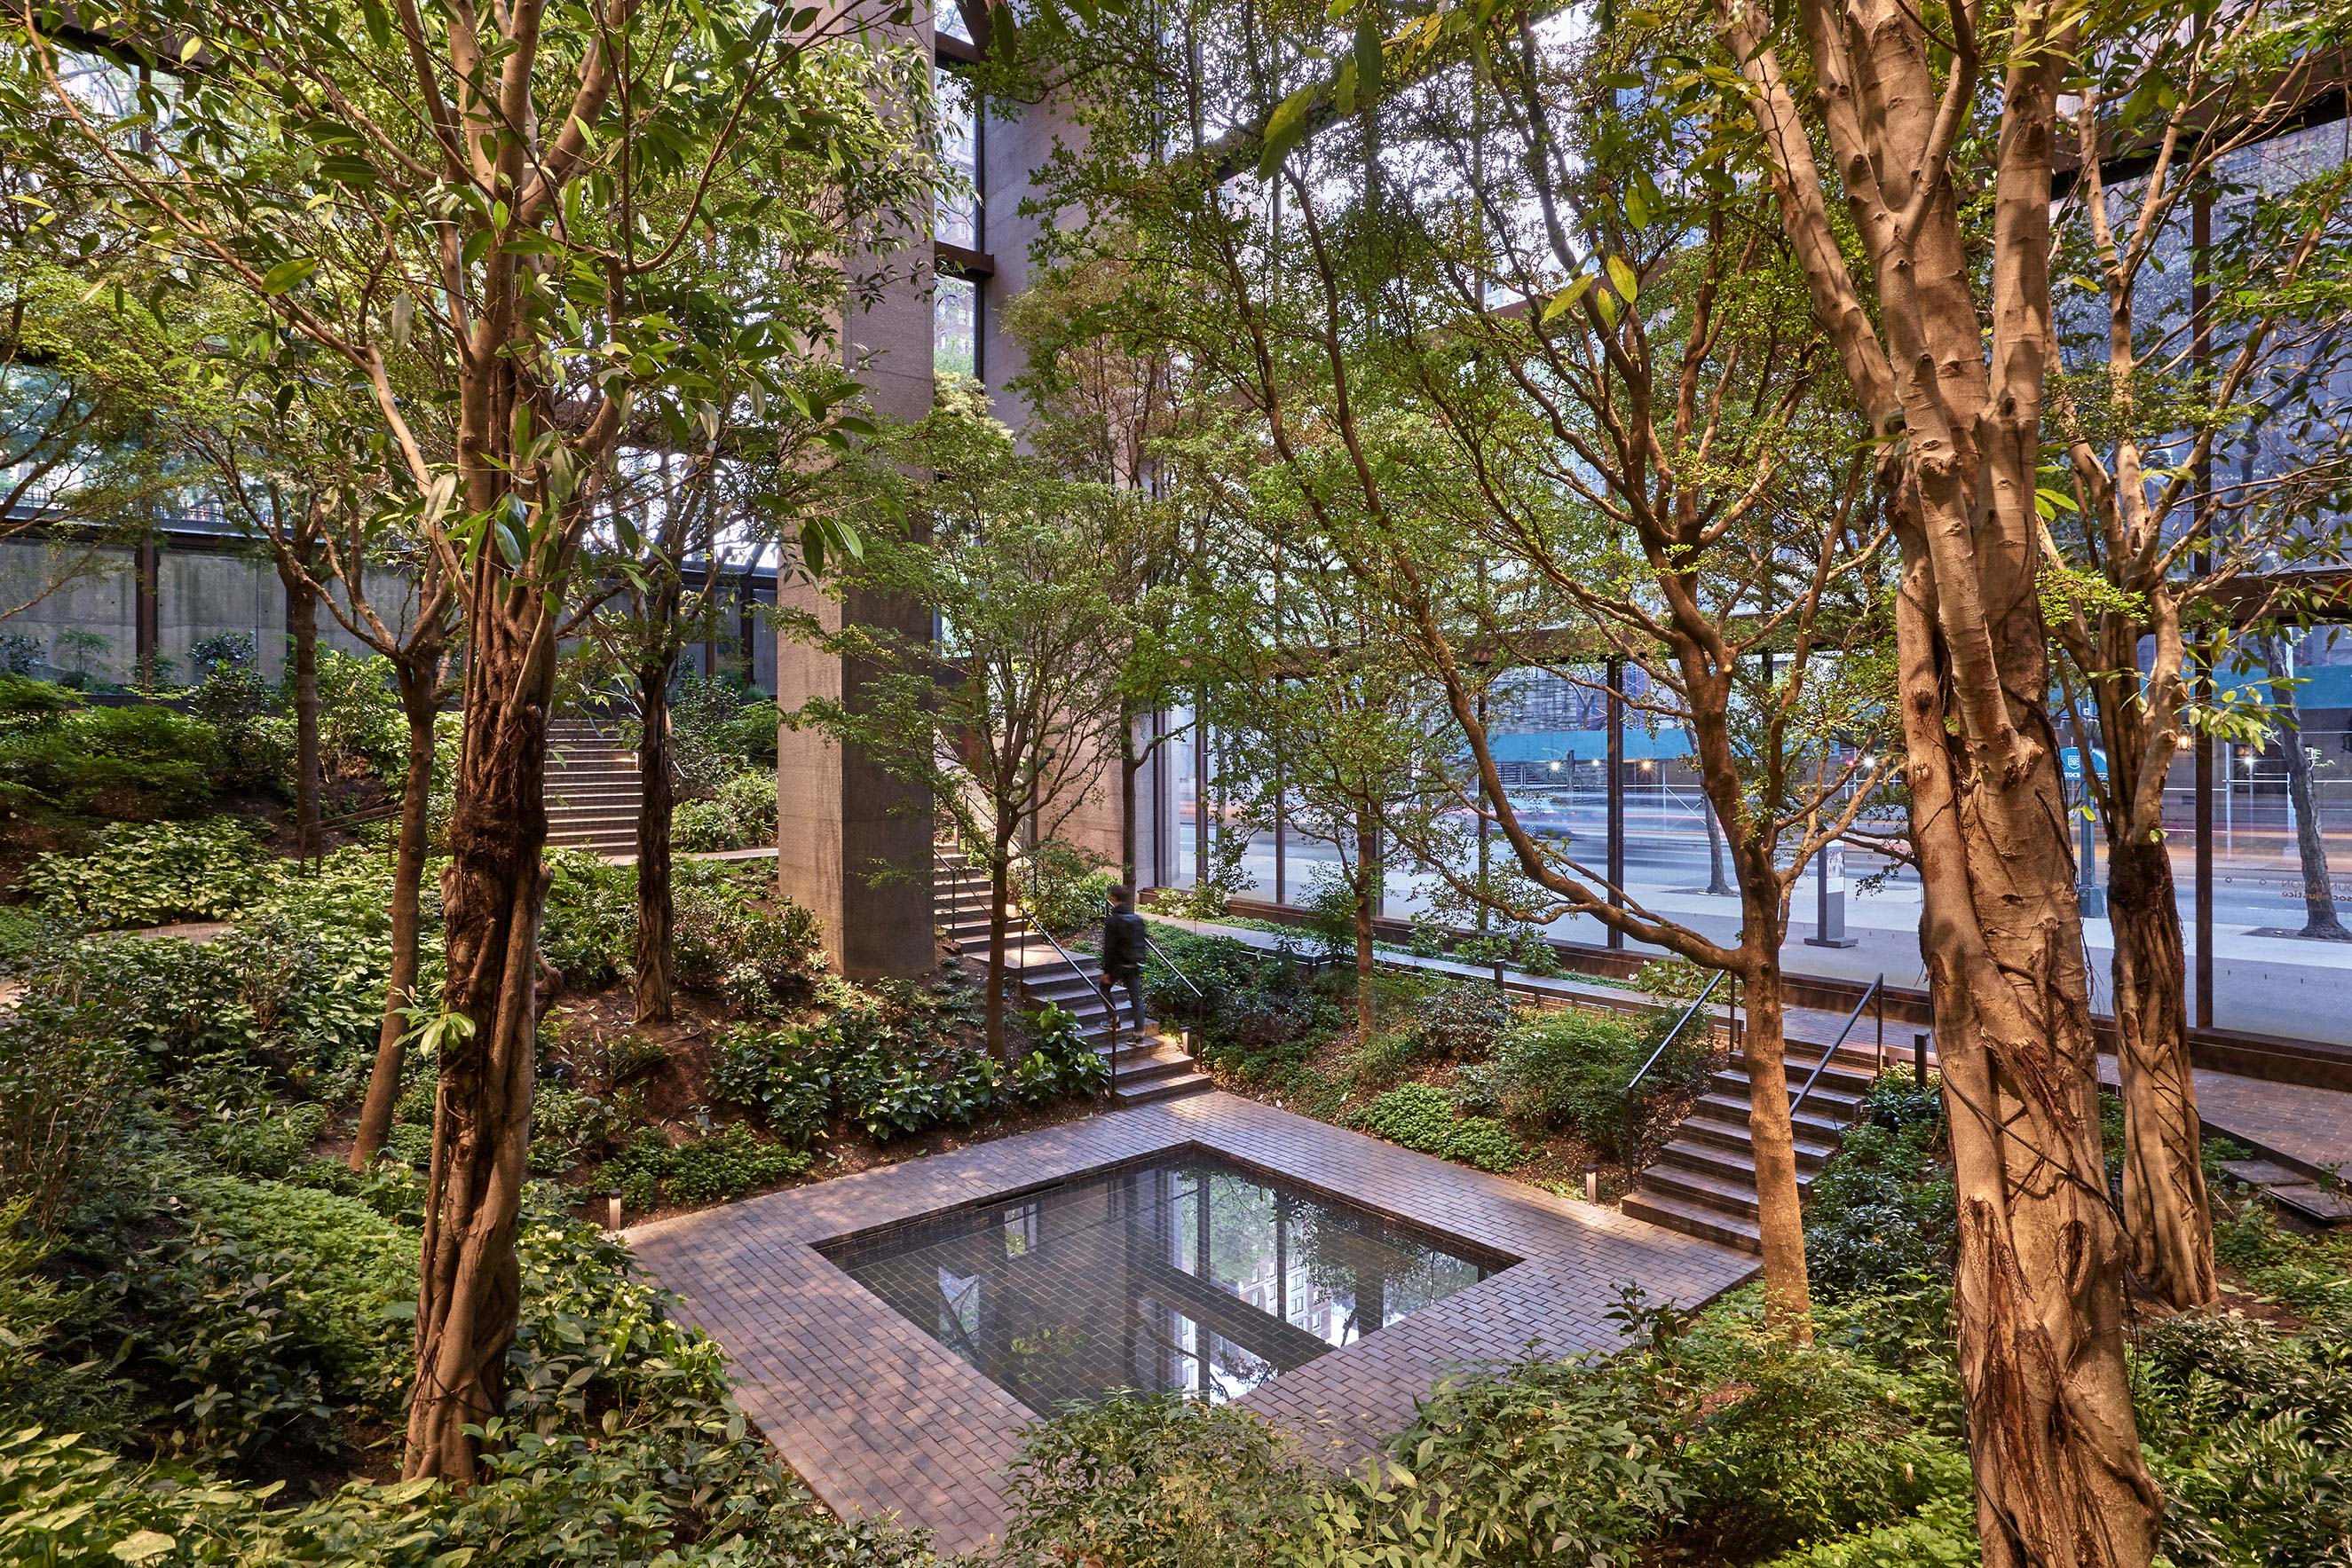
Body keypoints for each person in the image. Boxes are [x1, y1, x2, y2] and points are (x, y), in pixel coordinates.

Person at [1099, 885, 1148, 1038]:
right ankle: (1139, 1034)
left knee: (1104, 988)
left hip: (1117, 966)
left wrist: (1107, 972)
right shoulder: (1137, 920)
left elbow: (1110, 948)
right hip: (1133, 965)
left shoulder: (1113, 921)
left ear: (1114, 898)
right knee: (1136, 1000)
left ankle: (1114, 1020)